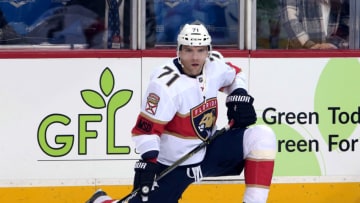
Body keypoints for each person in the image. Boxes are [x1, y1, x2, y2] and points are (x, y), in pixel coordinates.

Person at [85, 23, 277, 203]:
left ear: (208, 51)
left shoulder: (214, 66)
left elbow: (236, 75)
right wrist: (149, 160)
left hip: (209, 150)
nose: (195, 58)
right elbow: (146, 131)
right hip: (172, 164)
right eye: (189, 50)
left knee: (262, 137)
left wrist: (238, 94)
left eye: (201, 50)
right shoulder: (164, 85)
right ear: (179, 51)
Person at [279, 0, 349, 49]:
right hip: (301, 58)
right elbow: (289, 18)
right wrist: (308, 45)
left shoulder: (343, 2)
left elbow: (347, 22)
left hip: (332, 58)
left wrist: (334, 44)